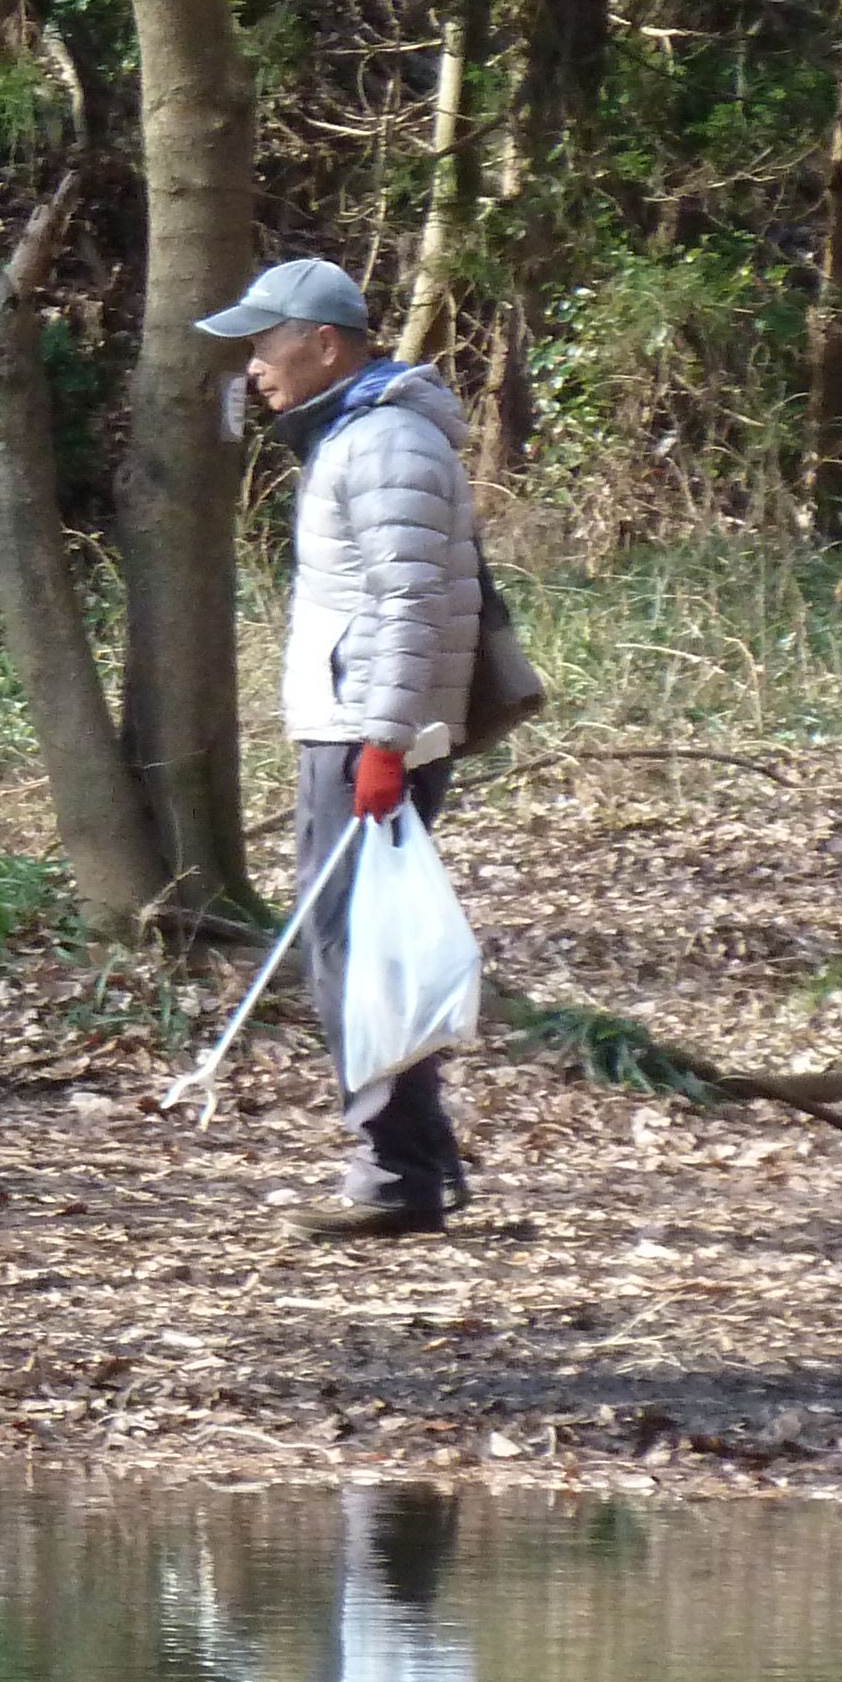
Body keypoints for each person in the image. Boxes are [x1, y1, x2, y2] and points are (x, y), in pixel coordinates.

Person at [198, 257, 485, 1240]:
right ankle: (419, 1161)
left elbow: (411, 604)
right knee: (359, 946)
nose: (252, 367)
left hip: (367, 732)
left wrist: (385, 742)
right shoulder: (358, 434)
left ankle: (396, 1172)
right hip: (355, 725)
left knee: (351, 952)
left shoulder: (387, 442)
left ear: (323, 344)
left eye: (263, 345)